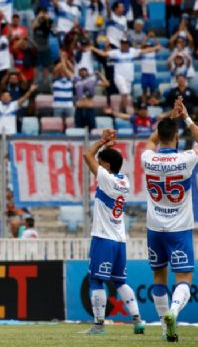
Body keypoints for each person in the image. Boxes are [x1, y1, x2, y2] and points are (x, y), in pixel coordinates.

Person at [141, 97, 198, 342]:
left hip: (154, 228)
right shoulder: (185, 159)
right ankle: (173, 310)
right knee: (184, 279)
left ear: (160, 137)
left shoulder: (147, 158)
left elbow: (151, 140)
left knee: (158, 277)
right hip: (179, 229)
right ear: (177, 139)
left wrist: (170, 116)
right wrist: (186, 117)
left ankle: (163, 327)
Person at [82, 128, 144, 335]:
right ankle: (138, 320)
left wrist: (101, 142)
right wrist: (108, 150)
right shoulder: (123, 180)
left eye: (101, 164)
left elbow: (86, 155)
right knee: (120, 282)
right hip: (119, 239)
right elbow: (108, 163)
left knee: (96, 279)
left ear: (106, 166)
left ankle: (99, 324)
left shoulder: (106, 178)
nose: (97, 167)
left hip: (103, 237)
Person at [90, 38, 162, 113]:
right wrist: (93, 48)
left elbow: (145, 51)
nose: (124, 45)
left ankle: (121, 110)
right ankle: (124, 111)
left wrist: (156, 47)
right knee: (125, 93)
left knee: (125, 95)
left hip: (129, 78)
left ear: (128, 45)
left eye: (125, 44)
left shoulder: (132, 51)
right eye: (122, 44)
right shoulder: (116, 52)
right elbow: (103, 54)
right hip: (119, 77)